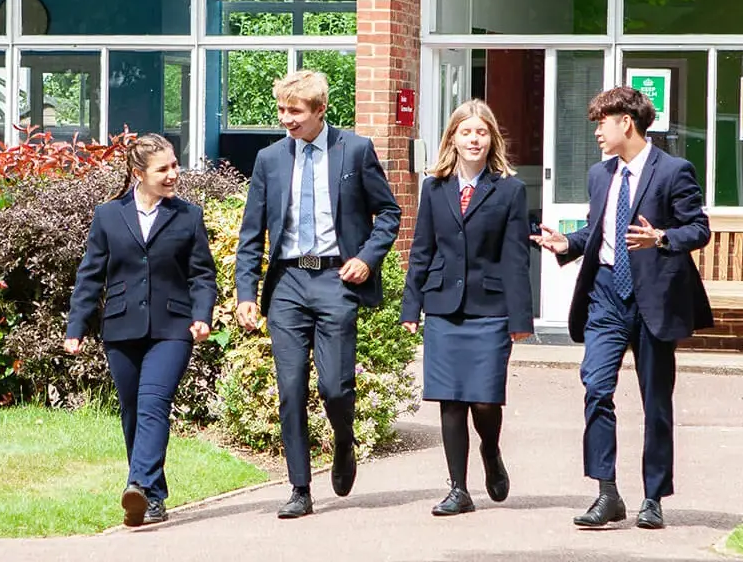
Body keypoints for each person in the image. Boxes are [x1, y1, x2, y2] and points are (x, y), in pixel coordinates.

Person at [531, 86, 713, 531]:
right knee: (595, 386)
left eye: (602, 122)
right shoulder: (600, 175)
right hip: (606, 294)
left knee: (656, 401)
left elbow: (699, 229)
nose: (597, 132)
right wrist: (567, 244)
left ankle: (653, 498)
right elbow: (598, 231)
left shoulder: (673, 171)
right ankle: (606, 492)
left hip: (654, 297)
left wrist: (662, 238)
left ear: (625, 123)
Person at [235, 69, 401, 519]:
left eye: (295, 111)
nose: (286, 119)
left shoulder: (355, 150)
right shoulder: (269, 159)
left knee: (335, 387)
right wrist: (245, 293)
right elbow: (252, 233)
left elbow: (388, 212)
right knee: (289, 388)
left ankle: (343, 443)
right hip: (287, 282)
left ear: (320, 109)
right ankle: (300, 488)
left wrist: (367, 257)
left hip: (335, 279)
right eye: (282, 110)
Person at [66, 134, 217, 528]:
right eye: (163, 168)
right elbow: (90, 276)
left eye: (175, 165)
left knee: (153, 403)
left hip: (172, 326)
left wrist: (202, 313)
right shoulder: (108, 215)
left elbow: (202, 274)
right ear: (139, 173)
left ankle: (137, 484)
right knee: (133, 411)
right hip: (121, 326)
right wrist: (76, 327)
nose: (174, 174)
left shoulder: (188, 216)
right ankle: (155, 496)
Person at [400, 99, 533, 517]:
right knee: (450, 399)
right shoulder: (434, 188)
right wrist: (411, 307)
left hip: (490, 308)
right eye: (466, 132)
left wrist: (520, 317)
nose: (474, 139)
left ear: (491, 138)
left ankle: (490, 451)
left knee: (484, 401)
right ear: (452, 138)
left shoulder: (509, 189)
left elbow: (516, 258)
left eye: (481, 132)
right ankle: (458, 488)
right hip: (443, 307)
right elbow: (421, 251)